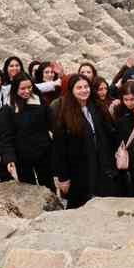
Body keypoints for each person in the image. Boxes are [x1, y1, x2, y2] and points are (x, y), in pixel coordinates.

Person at [50, 74, 117, 209]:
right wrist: (63, 178)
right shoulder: (64, 113)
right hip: (78, 170)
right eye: (79, 87)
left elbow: (110, 133)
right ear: (72, 91)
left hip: (101, 165)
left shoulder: (97, 107)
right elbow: (60, 148)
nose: (84, 90)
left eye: (86, 87)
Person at [0, 75, 53, 190]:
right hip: (21, 157)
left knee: (48, 185)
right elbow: (5, 137)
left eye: (29, 87)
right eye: (22, 89)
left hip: (43, 153)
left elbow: (51, 124)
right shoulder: (8, 108)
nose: (27, 91)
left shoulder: (40, 102)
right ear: (15, 89)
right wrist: (9, 158)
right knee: (27, 188)